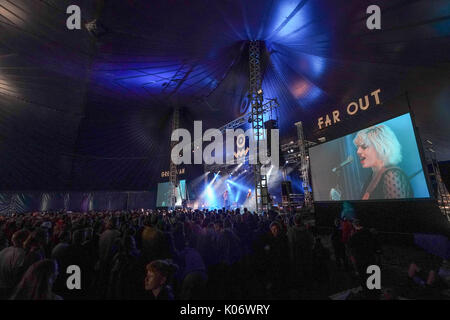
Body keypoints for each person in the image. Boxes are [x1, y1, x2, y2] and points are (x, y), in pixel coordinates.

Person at [353, 124, 413, 200]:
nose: (358, 151)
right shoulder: (371, 177)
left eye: (364, 146)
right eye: (357, 147)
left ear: (381, 147)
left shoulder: (391, 175)